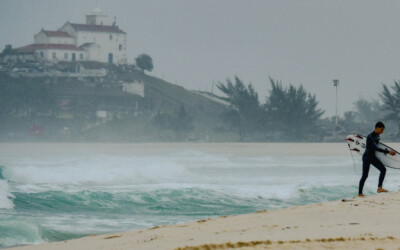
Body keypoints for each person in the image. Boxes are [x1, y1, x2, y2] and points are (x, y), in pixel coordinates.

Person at [358, 122, 396, 197]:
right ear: (377, 128)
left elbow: (377, 146)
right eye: (381, 129)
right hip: (367, 158)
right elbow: (376, 148)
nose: (382, 131)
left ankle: (379, 188)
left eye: (383, 130)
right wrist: (388, 152)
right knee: (365, 175)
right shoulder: (370, 137)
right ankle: (360, 193)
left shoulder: (377, 135)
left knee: (383, 170)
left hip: (373, 157)